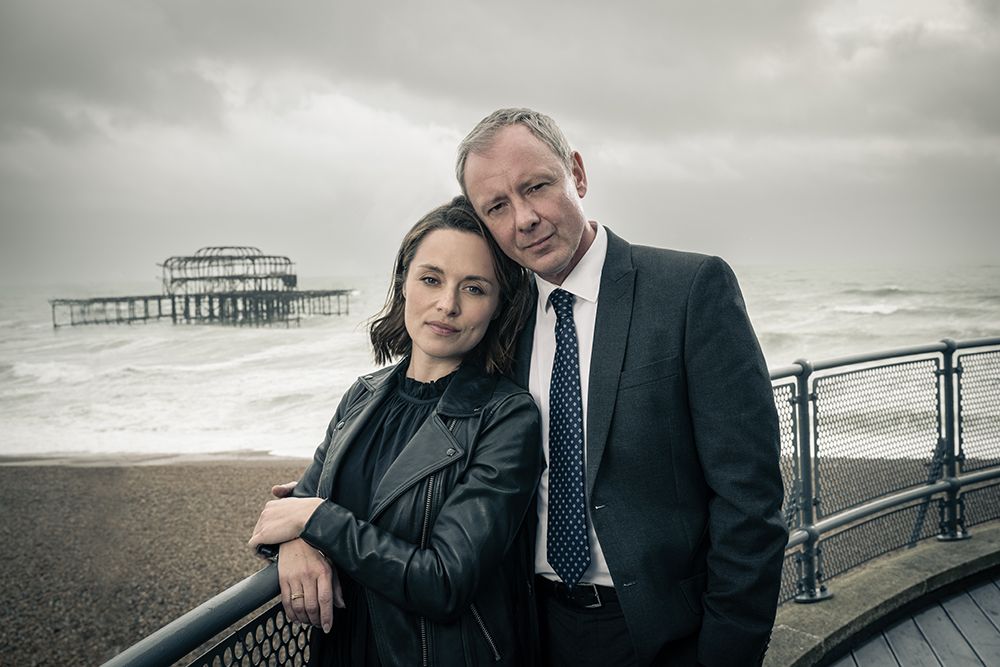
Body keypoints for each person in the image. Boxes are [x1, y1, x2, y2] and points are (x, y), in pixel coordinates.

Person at [456, 108, 788, 667]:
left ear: (577, 175)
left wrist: (726, 653)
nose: (525, 218)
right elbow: (433, 431)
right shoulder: (498, 321)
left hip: (665, 635)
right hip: (533, 632)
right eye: (497, 207)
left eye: (536, 187)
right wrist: (319, 506)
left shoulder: (689, 291)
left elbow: (749, 500)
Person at [248, 196, 542, 666]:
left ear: (498, 307)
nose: (447, 305)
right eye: (431, 279)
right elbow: (297, 506)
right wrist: (296, 541)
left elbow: (445, 581)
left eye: (474, 288)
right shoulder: (362, 396)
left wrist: (317, 521)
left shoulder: (507, 417)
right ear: (404, 282)